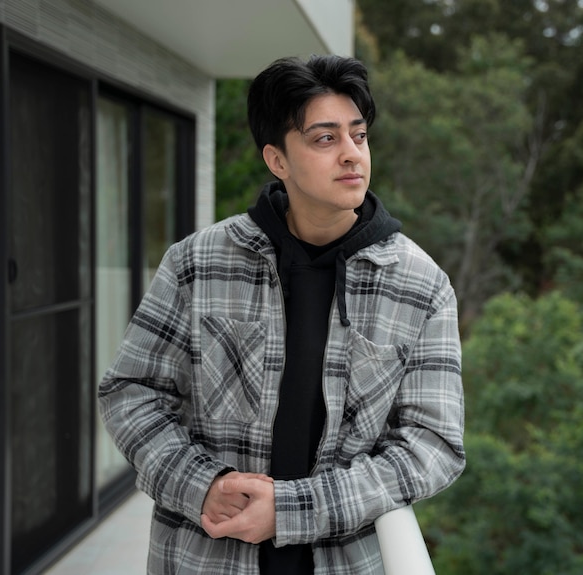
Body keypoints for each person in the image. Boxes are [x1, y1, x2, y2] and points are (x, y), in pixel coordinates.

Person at [98, 54, 465, 575]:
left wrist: (294, 511)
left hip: (345, 561)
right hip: (206, 557)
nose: (351, 155)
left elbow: (434, 444)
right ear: (277, 160)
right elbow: (131, 391)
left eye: (358, 136)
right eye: (325, 138)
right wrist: (199, 484)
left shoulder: (420, 285)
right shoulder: (196, 263)